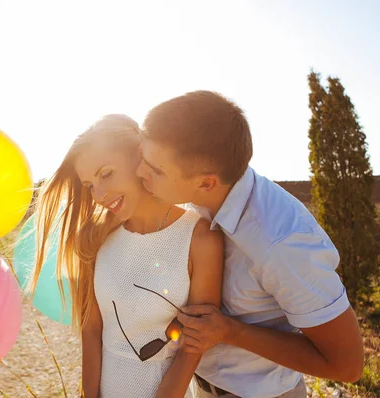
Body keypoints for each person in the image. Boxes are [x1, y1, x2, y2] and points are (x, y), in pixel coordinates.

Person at [136, 91, 364, 398]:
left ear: (206, 182)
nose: (140, 172)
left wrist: (231, 332)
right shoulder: (196, 198)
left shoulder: (282, 243)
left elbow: (346, 365)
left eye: (156, 169)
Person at [29, 114, 224, 397]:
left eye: (106, 174)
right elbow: (92, 330)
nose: (99, 194)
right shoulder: (94, 238)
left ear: (141, 157)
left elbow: (194, 342)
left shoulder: (201, 237)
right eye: (89, 185)